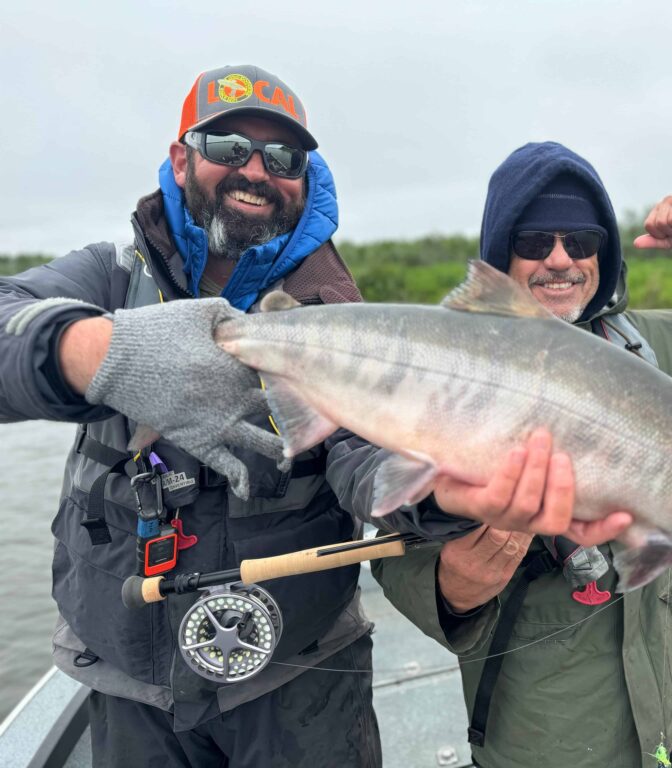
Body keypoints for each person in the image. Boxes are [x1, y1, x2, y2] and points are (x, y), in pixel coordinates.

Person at [0, 71, 624, 768]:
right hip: (125, 677)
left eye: (283, 158)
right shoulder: (108, 277)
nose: (256, 170)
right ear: (181, 159)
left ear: (305, 175)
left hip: (303, 679)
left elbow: (363, 457)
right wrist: (94, 352)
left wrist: (439, 496)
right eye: (229, 145)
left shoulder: (335, 314)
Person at [368, 141, 672, 768]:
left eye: (581, 241)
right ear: (501, 253)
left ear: (603, 252)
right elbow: (391, 545)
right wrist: (453, 587)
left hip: (671, 707)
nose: (560, 259)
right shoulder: (442, 368)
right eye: (534, 241)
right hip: (546, 735)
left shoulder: (653, 351)